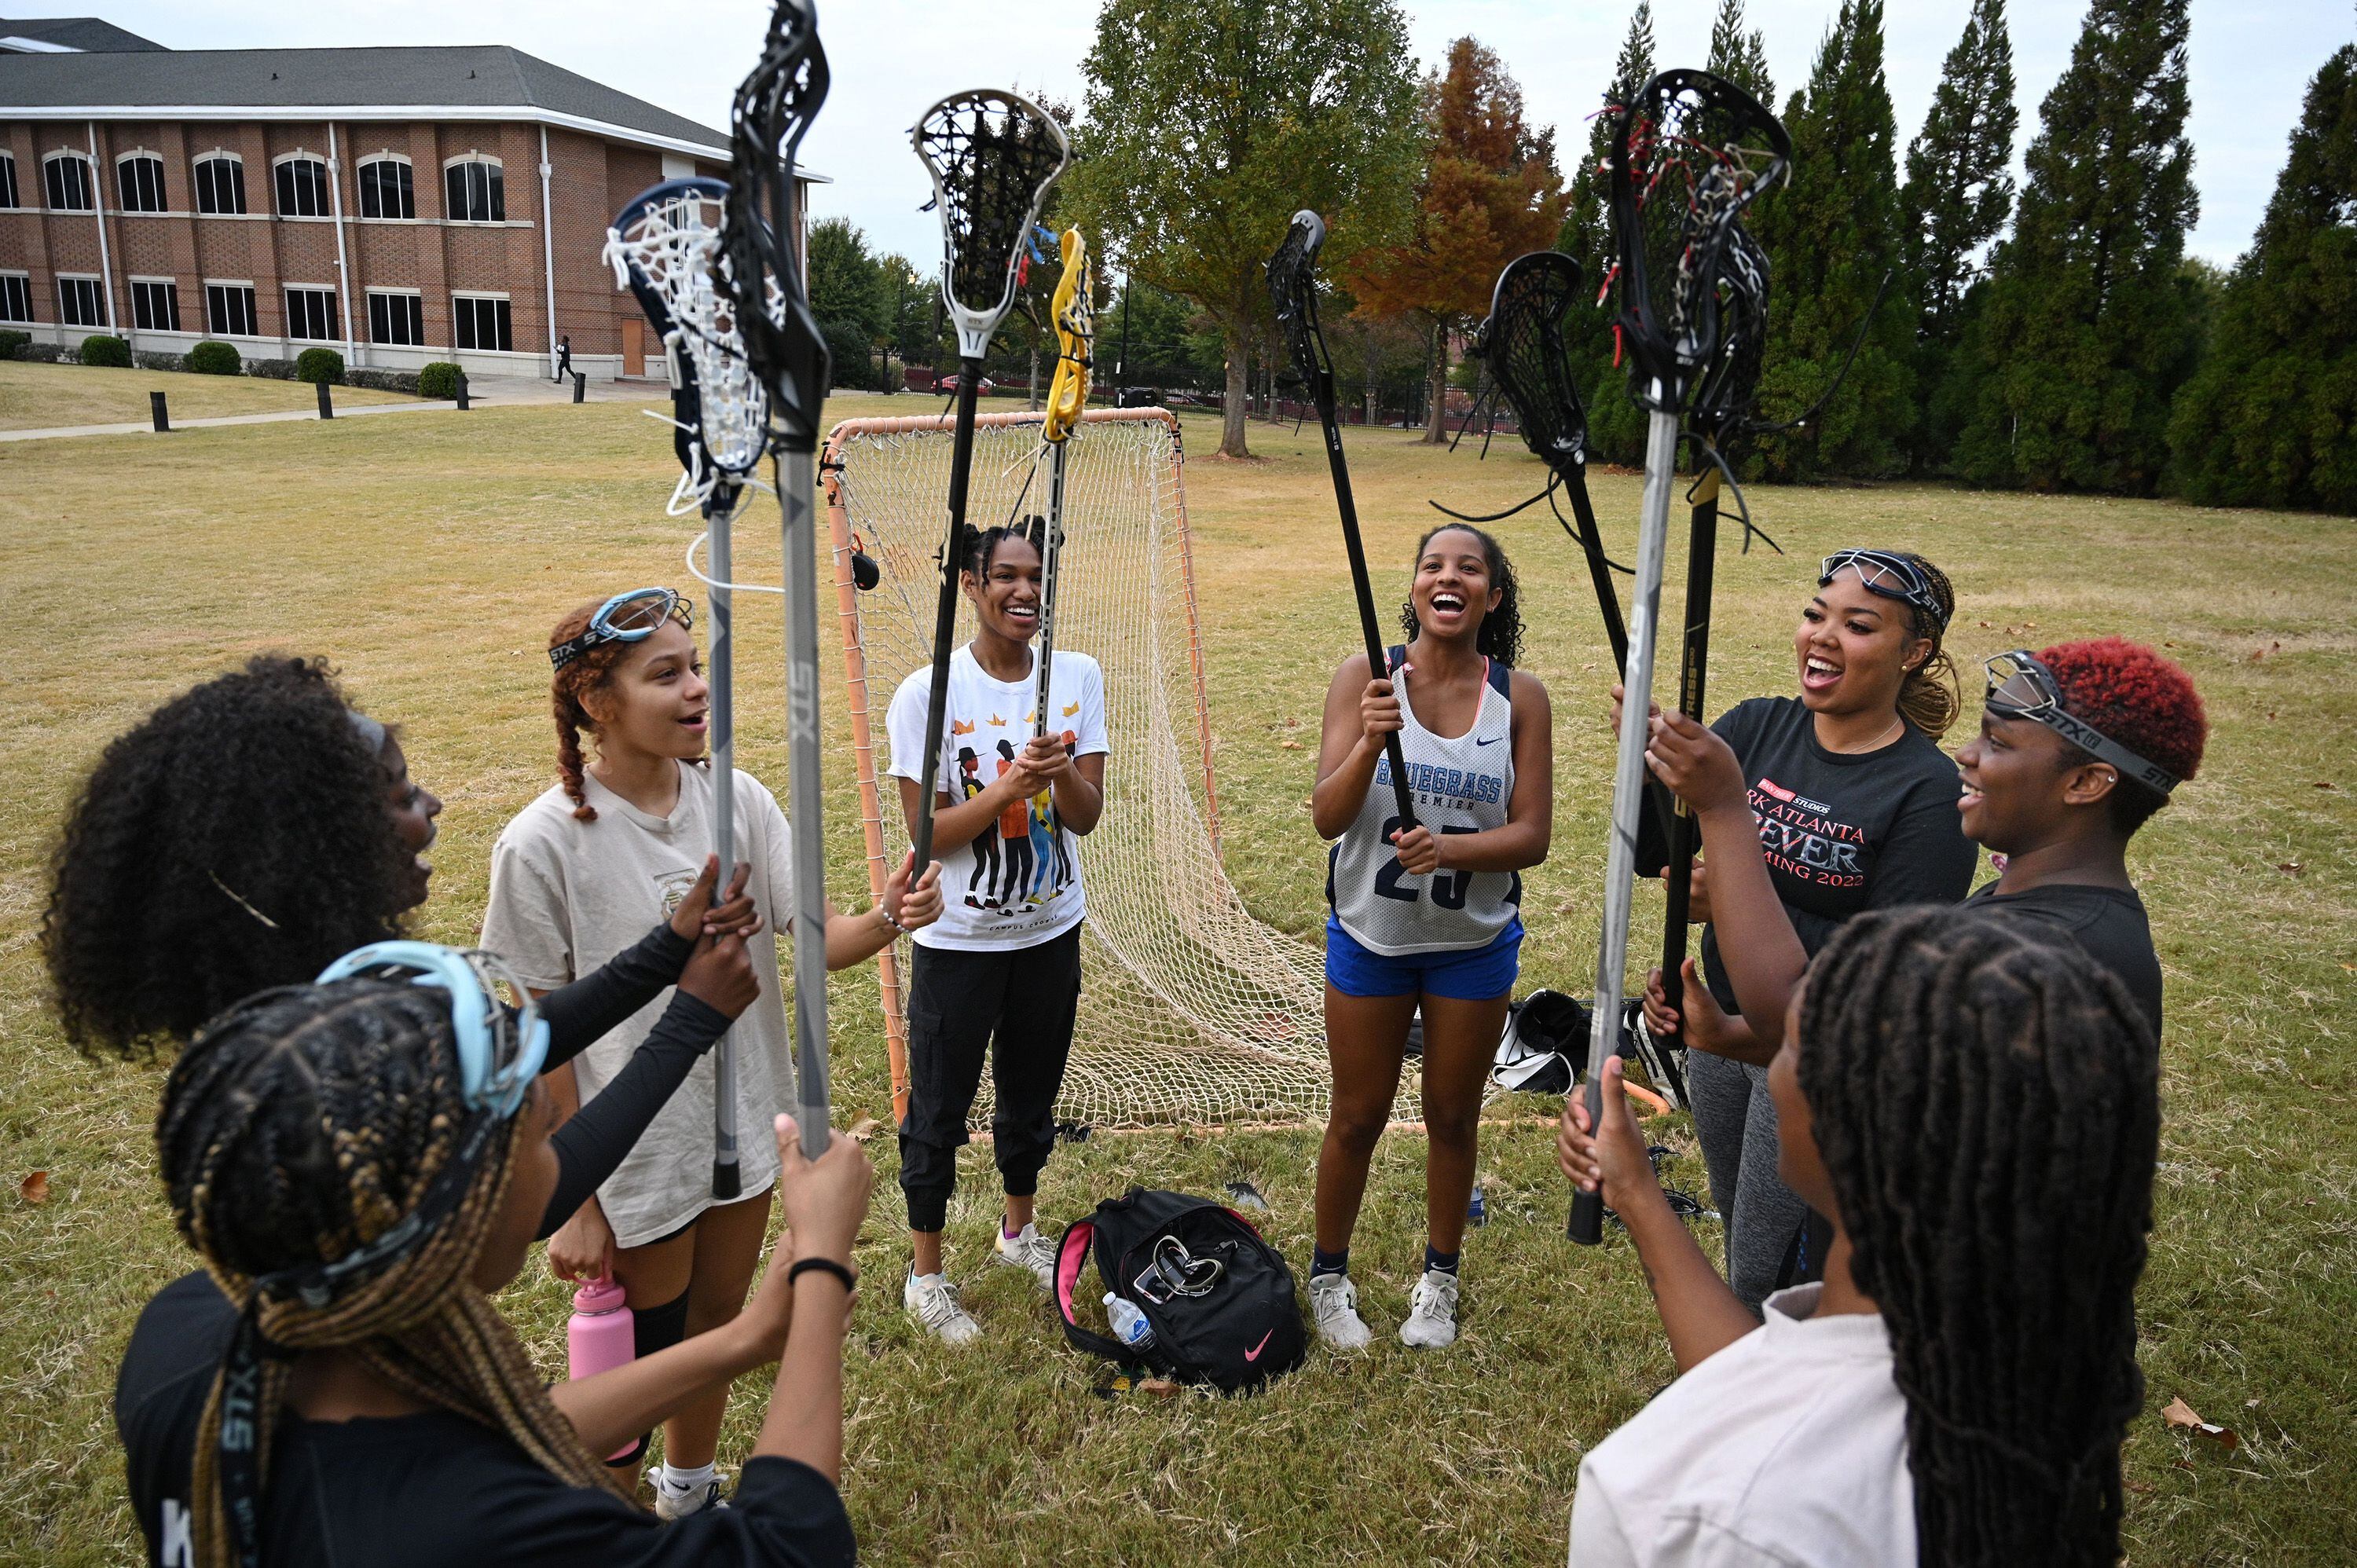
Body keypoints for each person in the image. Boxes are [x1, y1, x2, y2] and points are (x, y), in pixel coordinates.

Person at [117, 963, 872, 1568]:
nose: (562, 1163)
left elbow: (488, 1429)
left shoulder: (189, 1334)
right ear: (464, 1213)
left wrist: (746, 1340)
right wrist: (821, 1277)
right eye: (544, 1138)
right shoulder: (484, 1532)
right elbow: (788, 1544)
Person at [482, 586, 940, 1514]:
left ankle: (687, 1490)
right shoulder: (540, 844)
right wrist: (573, 1202)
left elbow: (812, 938)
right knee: (640, 1374)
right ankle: (611, 1522)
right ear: (595, 701)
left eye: (699, 668)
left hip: (746, 1121)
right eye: (667, 675)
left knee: (715, 1326)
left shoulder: (736, 798)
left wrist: (891, 914)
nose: (699, 690)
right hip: (633, 1156)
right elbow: (537, 1031)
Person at [1558, 907, 2158, 1567]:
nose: (1767, 1055)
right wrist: (1639, 1197)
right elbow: (1799, 1389)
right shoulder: (2029, 1364)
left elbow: (1782, 1422)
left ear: (1840, 1133)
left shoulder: (1677, 1508)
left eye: (1789, 1046)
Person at [1629, 548, 1976, 1312]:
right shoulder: (1758, 726)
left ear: (1913, 653)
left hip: (1811, 1066)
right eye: (1816, 615)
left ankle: (1758, 1390)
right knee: (1743, 1231)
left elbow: (1875, 982)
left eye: (1857, 625)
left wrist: (1726, 897)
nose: (1822, 636)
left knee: (1770, 1267)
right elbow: (1659, 853)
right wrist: (1648, 763)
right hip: (1722, 1041)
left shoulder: (1929, 792)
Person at [1640, 635, 2206, 1047]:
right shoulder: (2020, 909)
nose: (1965, 755)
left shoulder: (2048, 956)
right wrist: (1727, 1038)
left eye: (1999, 744)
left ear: (2085, 783)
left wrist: (1723, 808)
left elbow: (1805, 1015)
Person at [1307, 523, 1552, 1350]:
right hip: (1372, 935)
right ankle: (1328, 1277)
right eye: (1432, 566)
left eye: (1469, 569)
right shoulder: (1366, 676)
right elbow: (1326, 818)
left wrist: (1447, 848)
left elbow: (1533, 836)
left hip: (1472, 941)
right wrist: (1373, 739)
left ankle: (1439, 1281)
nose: (1448, 579)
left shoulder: (1520, 697)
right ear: (1414, 588)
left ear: (1492, 594)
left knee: (1452, 1114)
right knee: (1358, 1114)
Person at [882, 518, 1108, 1343]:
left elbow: (1084, 817)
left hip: (1050, 930)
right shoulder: (927, 694)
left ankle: (1020, 1231)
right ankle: (927, 1275)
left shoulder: (1075, 675)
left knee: (1029, 1098)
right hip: (960, 944)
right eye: (1005, 576)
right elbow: (926, 836)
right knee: (937, 1109)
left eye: (1036, 576)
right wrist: (1009, 785)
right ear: (972, 585)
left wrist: (1056, 779)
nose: (1024, 592)